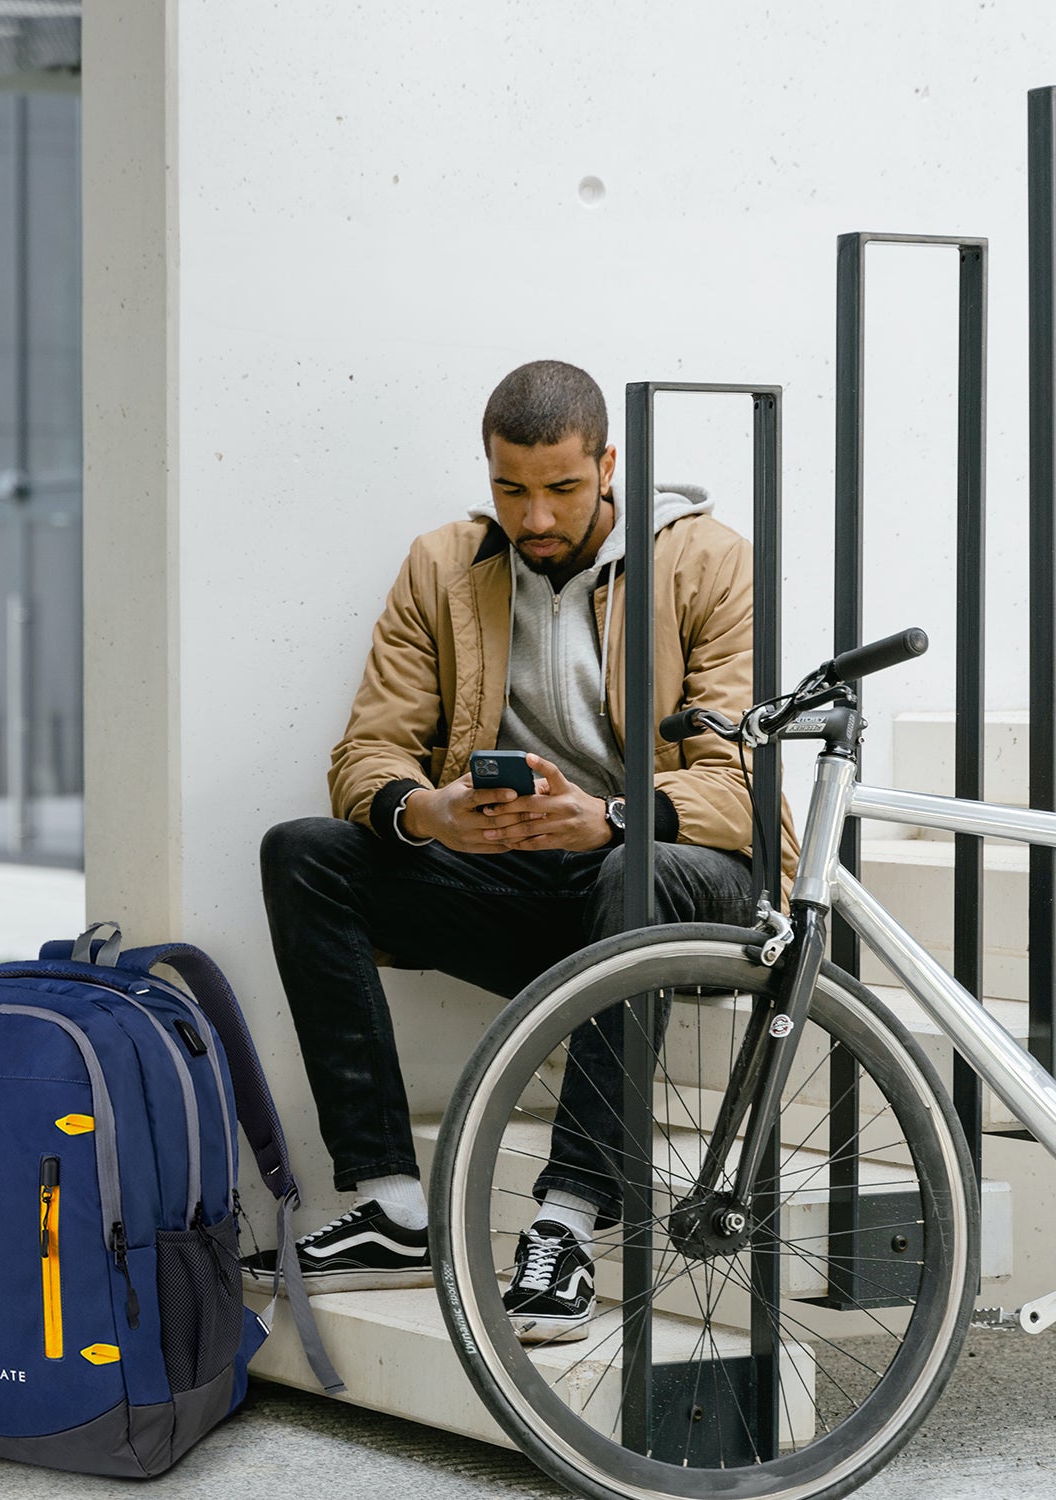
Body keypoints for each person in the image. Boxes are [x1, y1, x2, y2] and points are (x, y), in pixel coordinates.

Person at [259, 359, 798, 1342]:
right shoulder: (445, 566)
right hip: (533, 890)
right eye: (512, 489)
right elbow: (367, 750)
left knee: (627, 866)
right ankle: (392, 1204)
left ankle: (568, 1218)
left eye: (561, 489)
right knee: (304, 854)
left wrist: (615, 818)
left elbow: (740, 786)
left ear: (608, 465)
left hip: (682, 880)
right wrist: (429, 813)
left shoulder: (706, 561)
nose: (536, 517)